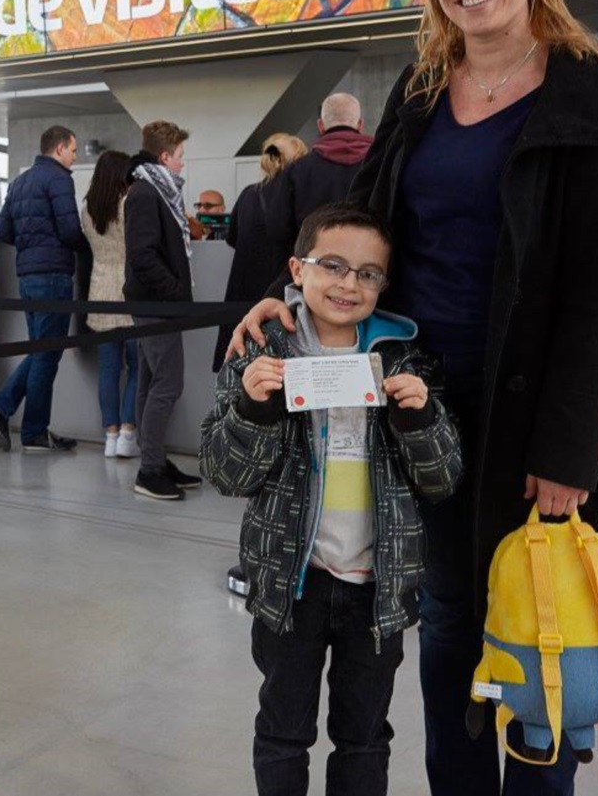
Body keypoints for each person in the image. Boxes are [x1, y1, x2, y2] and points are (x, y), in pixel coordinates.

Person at [231, 0, 598, 795]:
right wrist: (289, 293)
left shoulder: (596, 95)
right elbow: (365, 220)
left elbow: (597, 290)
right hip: (419, 403)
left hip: (531, 414)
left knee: (536, 636)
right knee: (445, 626)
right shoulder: (422, 90)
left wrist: (569, 448)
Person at [203, 203, 462, 796]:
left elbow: (443, 477)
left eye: (368, 273)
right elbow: (225, 472)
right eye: (333, 266)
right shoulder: (260, 350)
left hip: (378, 591)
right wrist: (252, 410)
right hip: (292, 586)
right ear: (298, 269)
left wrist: (420, 420)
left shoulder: (406, 357)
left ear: (384, 284)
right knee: (282, 731)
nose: (349, 284)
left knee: (365, 736)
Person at [0, 125, 86, 453]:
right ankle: (30, 430)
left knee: (42, 350)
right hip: (54, 275)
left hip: (27, 276)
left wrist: (31, 246)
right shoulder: (58, 179)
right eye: (73, 150)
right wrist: (87, 249)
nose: (75, 156)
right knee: (47, 354)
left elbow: (3, 230)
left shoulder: (19, 182)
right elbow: (71, 229)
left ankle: (11, 414)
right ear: (58, 149)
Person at [124, 120, 203, 500]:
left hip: (153, 302)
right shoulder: (145, 193)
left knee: (149, 383)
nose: (182, 165)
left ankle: (153, 459)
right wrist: (174, 291)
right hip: (155, 303)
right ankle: (150, 469)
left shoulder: (156, 190)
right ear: (164, 156)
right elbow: (142, 255)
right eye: (180, 157)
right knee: (167, 385)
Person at [212, 133, 307, 372]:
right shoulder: (295, 197)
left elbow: (232, 238)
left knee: (239, 363)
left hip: (242, 291)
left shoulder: (248, 194)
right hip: (278, 293)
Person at [80, 149, 141, 459]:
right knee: (137, 367)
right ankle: (128, 433)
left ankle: (110, 434)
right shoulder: (128, 204)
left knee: (108, 369)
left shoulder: (87, 210)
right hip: (128, 291)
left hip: (100, 291)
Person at [266, 93, 373, 260]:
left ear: (321, 126)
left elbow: (277, 230)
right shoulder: (382, 165)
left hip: (316, 270)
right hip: (369, 267)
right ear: (360, 125)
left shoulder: (296, 171)